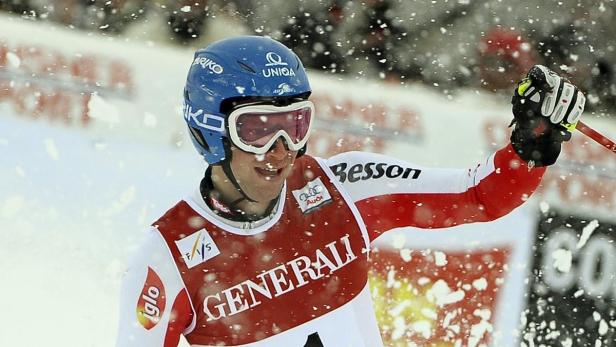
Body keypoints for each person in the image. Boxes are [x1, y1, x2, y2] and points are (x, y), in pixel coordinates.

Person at [115, 35, 586, 346]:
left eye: (295, 125)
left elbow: (478, 197)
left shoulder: (344, 186)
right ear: (210, 128)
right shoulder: (168, 259)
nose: (281, 150)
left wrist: (529, 146)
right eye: (257, 129)